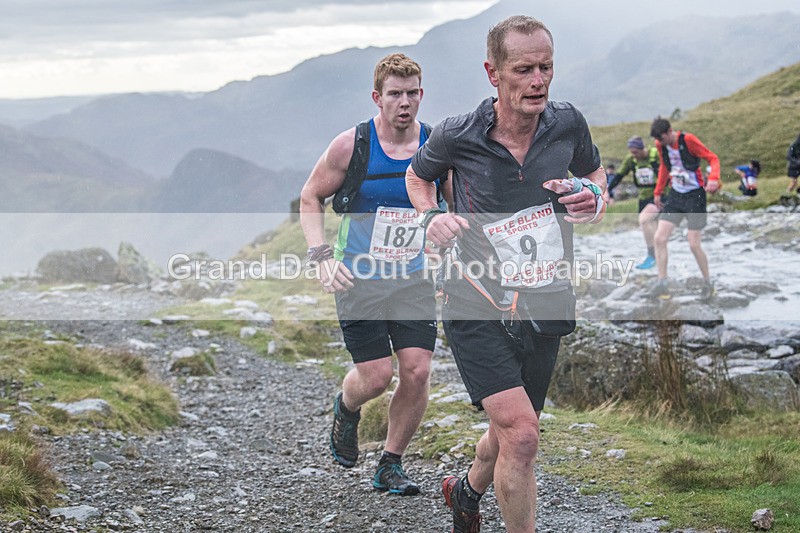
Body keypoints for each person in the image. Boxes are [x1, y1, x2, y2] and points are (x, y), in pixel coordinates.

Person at [406, 16, 606, 532]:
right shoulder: (457, 134)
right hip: (472, 298)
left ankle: (466, 491)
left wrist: (595, 198)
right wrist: (433, 217)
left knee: (515, 426)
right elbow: (418, 176)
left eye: (546, 67)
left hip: (545, 296)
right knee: (521, 433)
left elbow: (594, 173)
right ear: (493, 74)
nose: (539, 80)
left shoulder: (568, 123)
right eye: (525, 69)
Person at [299, 53, 444, 496]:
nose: (405, 102)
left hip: (413, 276)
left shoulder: (436, 145)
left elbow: (455, 202)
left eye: (412, 93)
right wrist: (322, 257)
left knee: (417, 371)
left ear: (421, 94)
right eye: (395, 94)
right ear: (377, 98)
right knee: (377, 376)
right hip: (358, 276)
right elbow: (310, 198)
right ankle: (347, 407)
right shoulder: (351, 145)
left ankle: (390, 463)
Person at [648, 117, 720, 300]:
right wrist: (658, 191)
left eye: (662, 139)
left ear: (669, 131)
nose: (660, 142)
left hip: (695, 196)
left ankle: (707, 282)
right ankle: (662, 282)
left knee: (694, 244)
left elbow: (712, 158)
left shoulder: (688, 140)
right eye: (658, 140)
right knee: (659, 237)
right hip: (676, 195)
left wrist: (713, 179)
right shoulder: (660, 145)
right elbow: (665, 166)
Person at [607, 136, 662, 269]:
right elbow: (619, 176)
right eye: (632, 152)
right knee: (651, 225)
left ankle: (652, 256)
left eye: (636, 152)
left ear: (642, 149)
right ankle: (659, 257)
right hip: (643, 198)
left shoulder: (655, 156)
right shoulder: (631, 160)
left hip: (659, 195)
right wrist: (607, 190)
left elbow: (666, 173)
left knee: (644, 220)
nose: (634, 155)